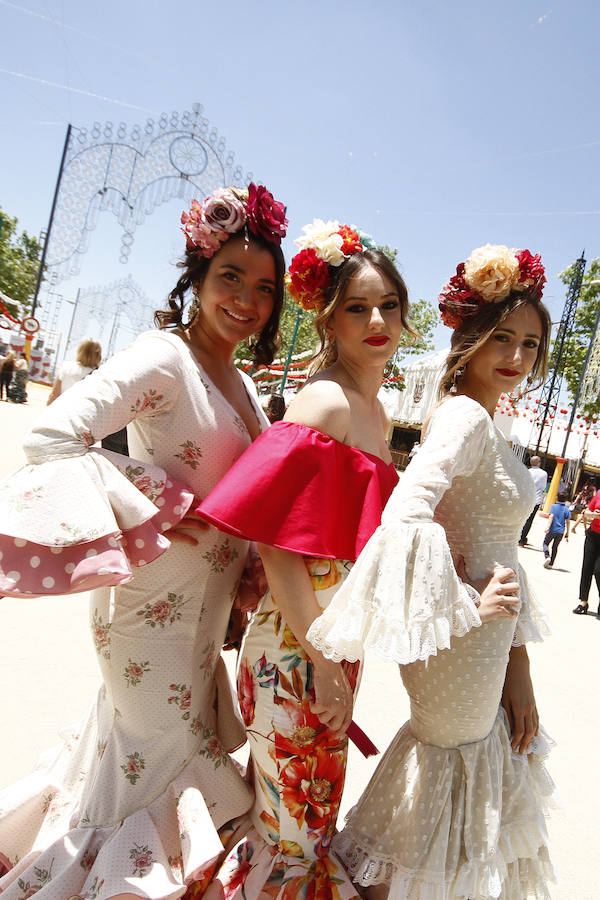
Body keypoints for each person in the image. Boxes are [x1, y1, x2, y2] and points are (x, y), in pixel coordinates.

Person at [0, 183, 288, 900]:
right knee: (153, 768)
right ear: (196, 274)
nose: (246, 300)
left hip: (204, 615)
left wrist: (250, 565)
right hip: (147, 609)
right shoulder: (165, 356)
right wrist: (154, 503)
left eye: (264, 287)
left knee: (137, 765)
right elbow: (50, 435)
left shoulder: (246, 386)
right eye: (230, 277)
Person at [308, 244, 555, 899]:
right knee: (445, 776)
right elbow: (406, 510)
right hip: (461, 635)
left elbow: (502, 548)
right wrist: (463, 598)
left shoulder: (490, 423)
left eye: (530, 345)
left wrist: (519, 668)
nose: (516, 357)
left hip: (486, 641)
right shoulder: (466, 416)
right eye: (502, 338)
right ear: (470, 334)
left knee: (457, 781)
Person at [198, 219, 414, 897]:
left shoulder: (374, 413)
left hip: (328, 645)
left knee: (305, 827)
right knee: (290, 835)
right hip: (296, 648)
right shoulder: (326, 399)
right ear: (328, 319)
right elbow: (276, 541)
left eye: (389, 306)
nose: (377, 320)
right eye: (358, 308)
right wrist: (322, 662)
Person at [46, 337, 102, 404]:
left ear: (79, 350)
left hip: (61, 409)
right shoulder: (99, 375)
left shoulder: (66, 367)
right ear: (98, 355)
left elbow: (54, 396)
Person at [572, 481, 600, 615]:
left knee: (598, 570)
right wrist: (594, 515)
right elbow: (587, 511)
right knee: (587, 567)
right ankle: (583, 602)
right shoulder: (599, 494)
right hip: (593, 535)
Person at [518, 455, 548, 546]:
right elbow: (543, 487)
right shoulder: (543, 474)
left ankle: (516, 536)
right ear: (539, 463)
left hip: (524, 498)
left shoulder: (527, 471)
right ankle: (522, 539)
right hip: (535, 499)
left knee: (521, 518)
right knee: (529, 520)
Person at [543, 490, 571, 568]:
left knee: (545, 543)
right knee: (555, 547)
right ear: (565, 500)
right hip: (561, 531)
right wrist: (567, 533)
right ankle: (551, 564)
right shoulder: (566, 509)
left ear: (557, 498)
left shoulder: (553, 506)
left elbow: (551, 517)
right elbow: (568, 522)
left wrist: (547, 527)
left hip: (552, 529)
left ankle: (547, 556)